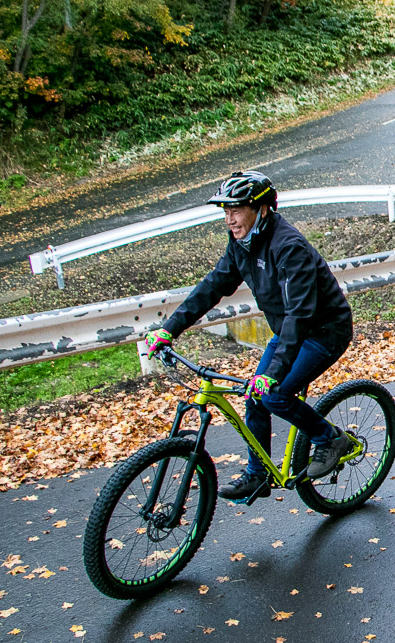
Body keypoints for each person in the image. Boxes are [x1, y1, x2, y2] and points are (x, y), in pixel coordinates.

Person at [144, 170, 354, 502]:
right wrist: (169, 329)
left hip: (323, 332)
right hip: (288, 331)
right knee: (256, 397)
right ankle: (258, 476)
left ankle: (328, 438)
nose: (230, 218)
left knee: (272, 394)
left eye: (237, 209)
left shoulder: (289, 247)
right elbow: (213, 286)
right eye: (226, 211)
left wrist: (271, 374)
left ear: (262, 208)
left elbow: (299, 316)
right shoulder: (242, 242)